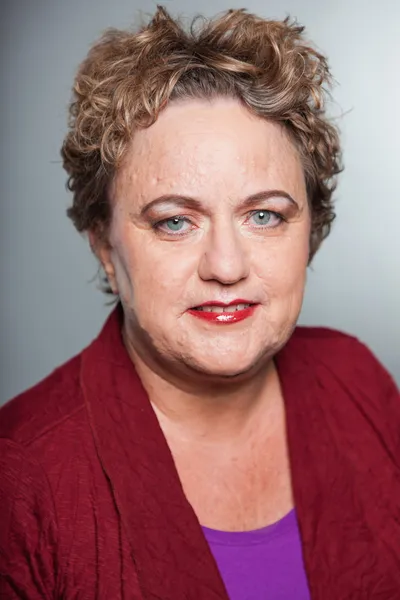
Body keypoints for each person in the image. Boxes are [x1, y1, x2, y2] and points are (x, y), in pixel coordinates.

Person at [0, 6, 399, 599]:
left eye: (264, 215)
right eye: (175, 222)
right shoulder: (20, 477)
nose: (226, 266)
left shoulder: (355, 378)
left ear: (311, 230)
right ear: (104, 245)